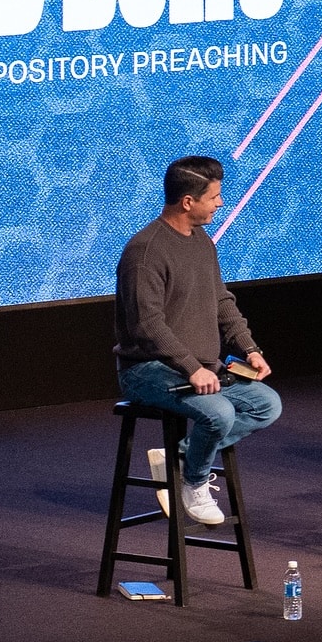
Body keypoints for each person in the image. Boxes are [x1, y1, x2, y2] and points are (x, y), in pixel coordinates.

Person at [115, 156, 281, 525]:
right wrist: (191, 367)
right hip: (148, 370)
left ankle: (181, 458)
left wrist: (249, 348)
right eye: (214, 197)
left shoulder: (202, 241)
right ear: (188, 201)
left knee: (266, 405)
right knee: (219, 413)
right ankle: (193, 481)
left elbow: (221, 300)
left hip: (201, 367)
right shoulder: (145, 251)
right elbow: (146, 326)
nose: (220, 203)